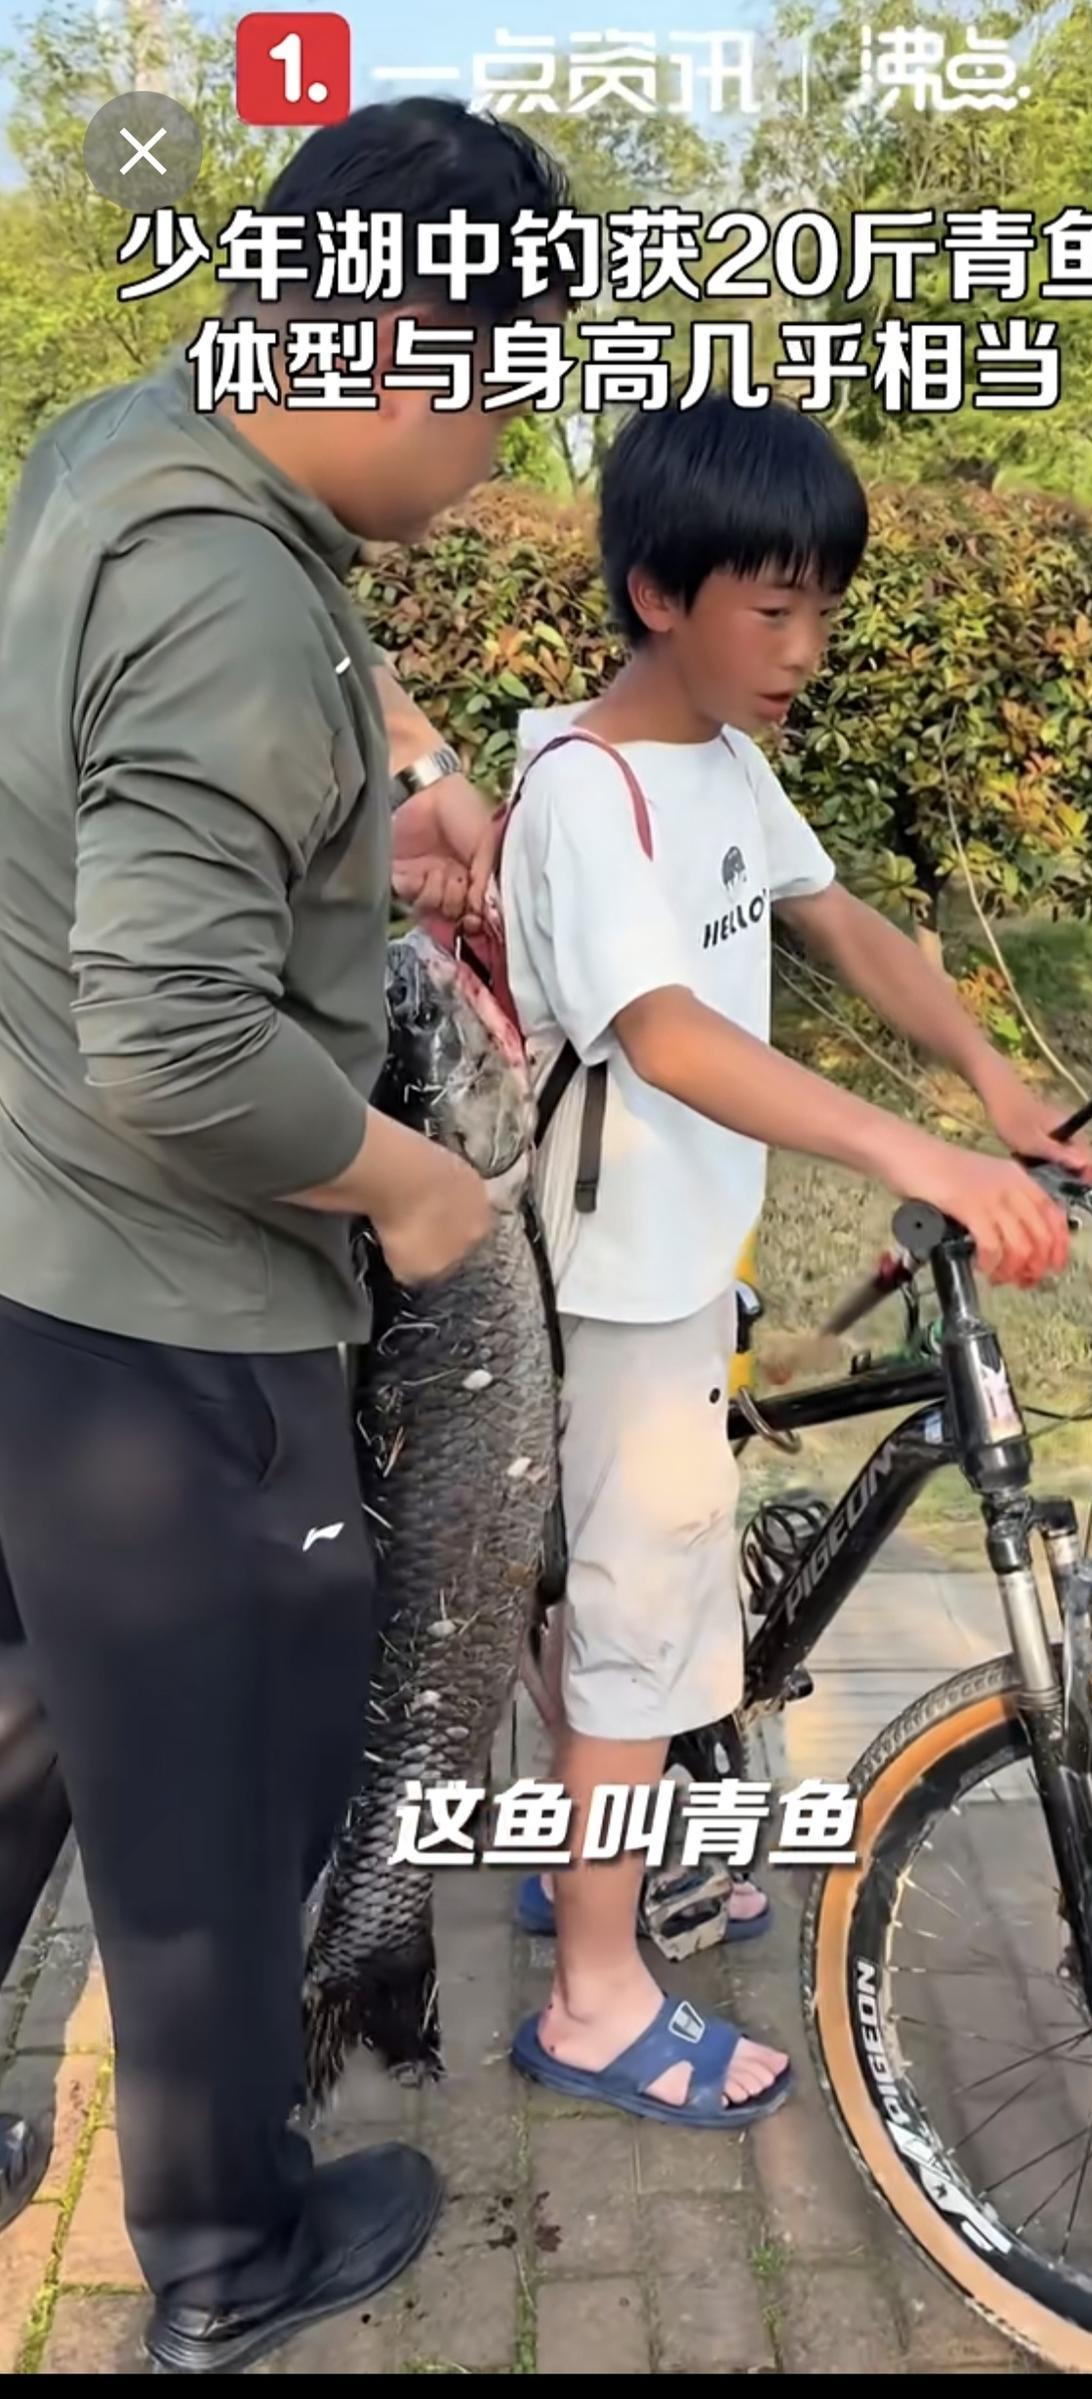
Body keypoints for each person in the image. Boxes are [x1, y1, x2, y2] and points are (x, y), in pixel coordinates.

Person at [0, 97, 569, 2372]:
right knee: (221, 1820)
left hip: (29, 1267)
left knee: (28, 1735)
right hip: (175, 1325)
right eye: (502, 398)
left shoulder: (122, 450)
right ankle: (229, 2258)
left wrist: (397, 776)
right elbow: (173, 1042)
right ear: (403, 347)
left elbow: (242, 684)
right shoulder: (231, 598)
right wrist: (420, 1185)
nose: (500, 458)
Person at [498, 393, 1092, 2129]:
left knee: (629, 1608)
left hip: (690, 1258)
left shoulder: (723, 759)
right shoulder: (586, 791)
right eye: (774, 609)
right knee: (635, 1633)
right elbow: (668, 1035)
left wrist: (990, 1078)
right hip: (608, 1284)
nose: (806, 649)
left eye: (822, 609)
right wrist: (917, 1152)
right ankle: (595, 1998)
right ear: (657, 593)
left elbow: (848, 926)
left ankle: (587, 1862)